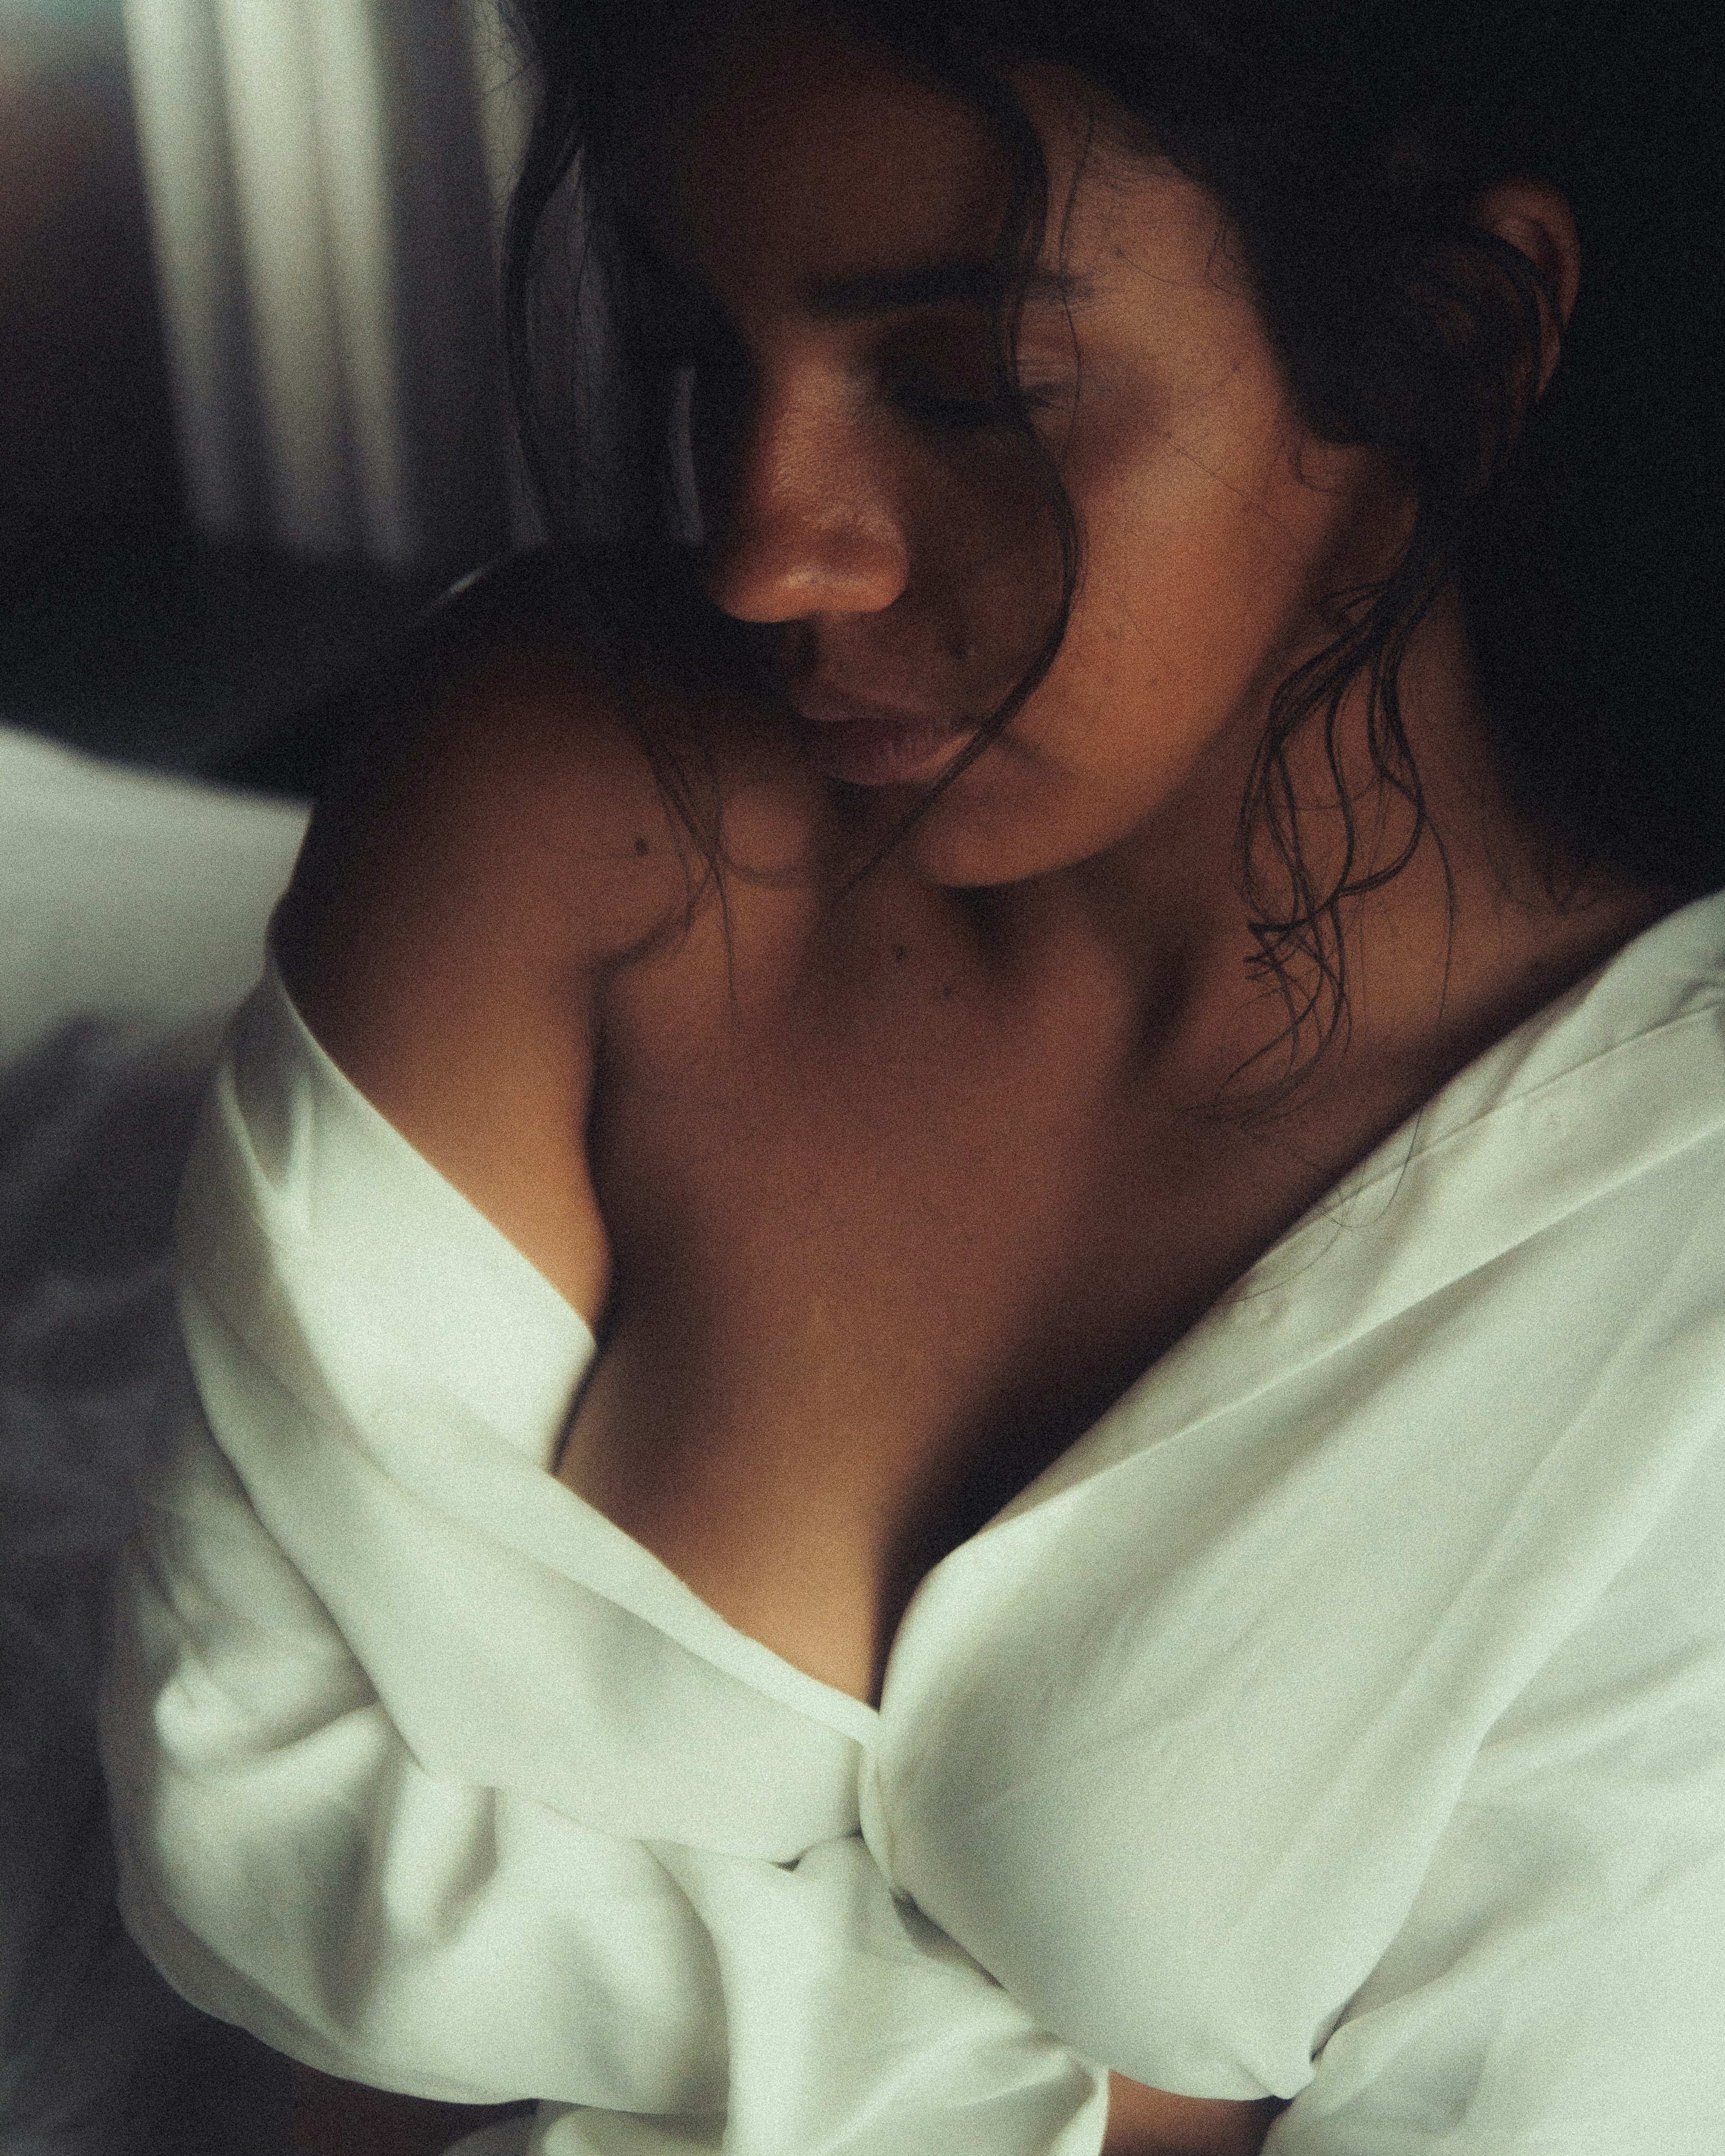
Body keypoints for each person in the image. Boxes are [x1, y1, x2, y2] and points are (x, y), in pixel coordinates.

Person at [98, 1, 1725, 2152]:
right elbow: (247, 1839)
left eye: (964, 390)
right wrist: (1139, 2115)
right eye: (699, 360)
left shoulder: (1665, 1263)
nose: (766, 550)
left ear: (1457, 327)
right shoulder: (564, 809)